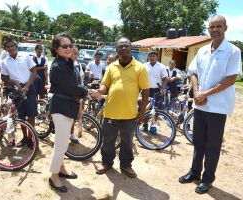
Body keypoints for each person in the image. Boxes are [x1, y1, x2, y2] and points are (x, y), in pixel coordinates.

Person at [179, 15, 242, 194]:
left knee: (212, 145)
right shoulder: (203, 50)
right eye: (212, 26)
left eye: (219, 26)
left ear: (225, 28)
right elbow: (193, 72)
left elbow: (230, 79)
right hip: (200, 105)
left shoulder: (233, 51)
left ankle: (208, 179)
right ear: (208, 29)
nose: (215, 29)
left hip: (218, 107)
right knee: (198, 142)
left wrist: (205, 94)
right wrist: (197, 92)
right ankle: (194, 173)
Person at [94, 37, 149, 178]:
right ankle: (106, 162)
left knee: (127, 141)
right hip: (110, 112)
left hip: (129, 114)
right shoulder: (111, 67)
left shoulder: (140, 67)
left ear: (131, 48)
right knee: (108, 140)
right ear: (117, 49)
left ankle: (125, 165)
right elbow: (105, 84)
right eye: (120, 47)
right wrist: (99, 91)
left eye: (126, 46)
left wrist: (142, 112)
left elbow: (145, 91)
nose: (123, 49)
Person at [48, 33, 96, 192]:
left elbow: (75, 86)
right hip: (61, 107)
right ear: (56, 48)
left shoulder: (67, 62)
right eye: (64, 46)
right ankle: (54, 176)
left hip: (68, 105)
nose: (68, 48)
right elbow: (72, 87)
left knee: (62, 142)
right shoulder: (58, 66)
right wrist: (87, 91)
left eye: (70, 45)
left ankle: (60, 168)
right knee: (61, 145)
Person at [0, 39, 37, 148]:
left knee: (31, 115)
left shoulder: (25, 56)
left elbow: (34, 71)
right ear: (6, 49)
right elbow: (4, 77)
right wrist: (15, 82)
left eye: (12, 46)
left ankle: (31, 138)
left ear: (16, 46)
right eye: (8, 47)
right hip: (16, 91)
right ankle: (25, 137)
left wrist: (27, 86)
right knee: (21, 116)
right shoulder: (5, 62)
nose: (11, 48)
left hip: (29, 88)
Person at [142, 50, 168, 132]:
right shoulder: (144, 66)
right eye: (150, 56)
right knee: (145, 107)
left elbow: (165, 79)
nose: (151, 57)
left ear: (157, 57)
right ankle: (145, 124)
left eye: (153, 56)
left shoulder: (161, 67)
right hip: (146, 90)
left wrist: (162, 89)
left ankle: (153, 125)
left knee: (156, 109)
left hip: (157, 90)